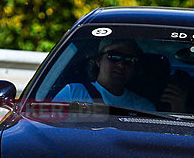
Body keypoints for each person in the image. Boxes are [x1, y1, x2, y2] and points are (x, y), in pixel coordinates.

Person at [52, 39, 185, 111]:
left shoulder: (143, 107)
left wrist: (179, 112)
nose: (121, 64)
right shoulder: (72, 93)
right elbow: (49, 127)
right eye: (114, 56)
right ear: (98, 60)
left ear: (135, 67)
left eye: (129, 60)